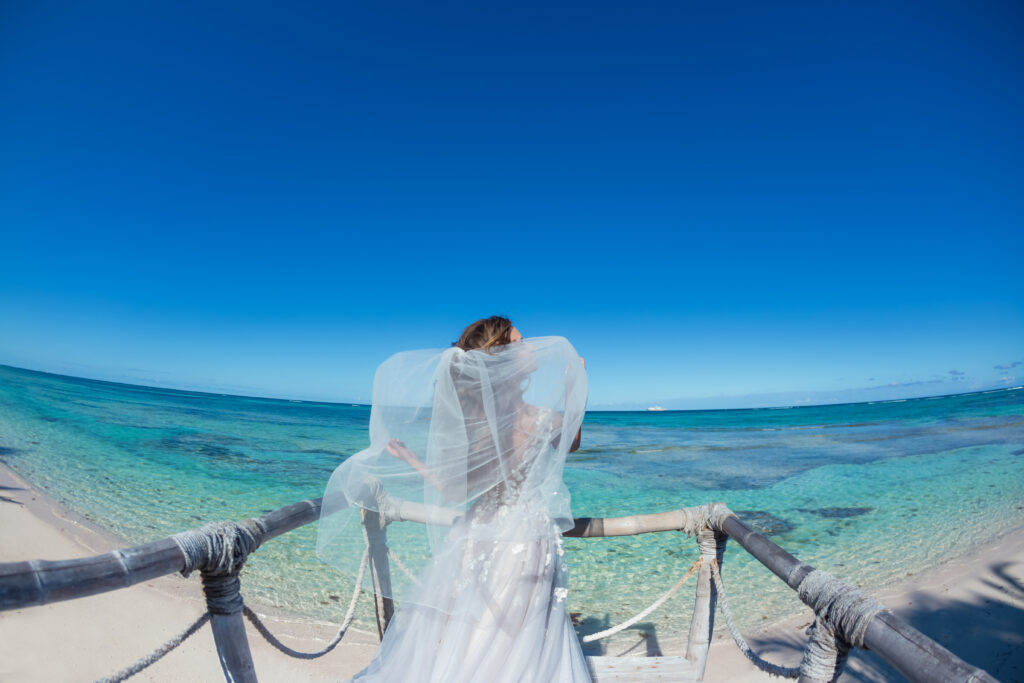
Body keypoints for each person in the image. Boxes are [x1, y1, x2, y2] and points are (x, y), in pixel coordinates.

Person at [317, 316, 591, 682]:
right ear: (501, 356)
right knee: (514, 637)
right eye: (520, 341)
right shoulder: (540, 418)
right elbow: (571, 442)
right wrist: (575, 386)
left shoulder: (478, 423)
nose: (529, 346)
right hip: (525, 540)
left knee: (473, 631)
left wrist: (412, 460)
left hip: (476, 533)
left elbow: (453, 491)